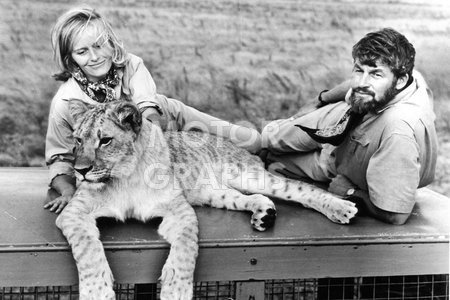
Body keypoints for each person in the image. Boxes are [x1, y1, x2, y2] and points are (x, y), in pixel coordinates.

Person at [44, 6, 261, 213]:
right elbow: (59, 158)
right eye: (82, 51)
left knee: (252, 142)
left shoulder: (131, 64)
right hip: (125, 146)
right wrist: (67, 191)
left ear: (111, 42)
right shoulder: (64, 102)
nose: (94, 57)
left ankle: (284, 143)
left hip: (168, 118)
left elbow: (148, 112)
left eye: (99, 46)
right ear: (70, 59)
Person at [261, 28, 438, 225]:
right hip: (344, 120)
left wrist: (350, 192)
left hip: (340, 168)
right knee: (269, 138)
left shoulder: (398, 132)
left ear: (400, 81)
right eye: (359, 70)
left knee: (270, 159)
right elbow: (359, 80)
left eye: (376, 75)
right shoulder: (406, 78)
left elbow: (397, 215)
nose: (361, 83)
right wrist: (321, 99)